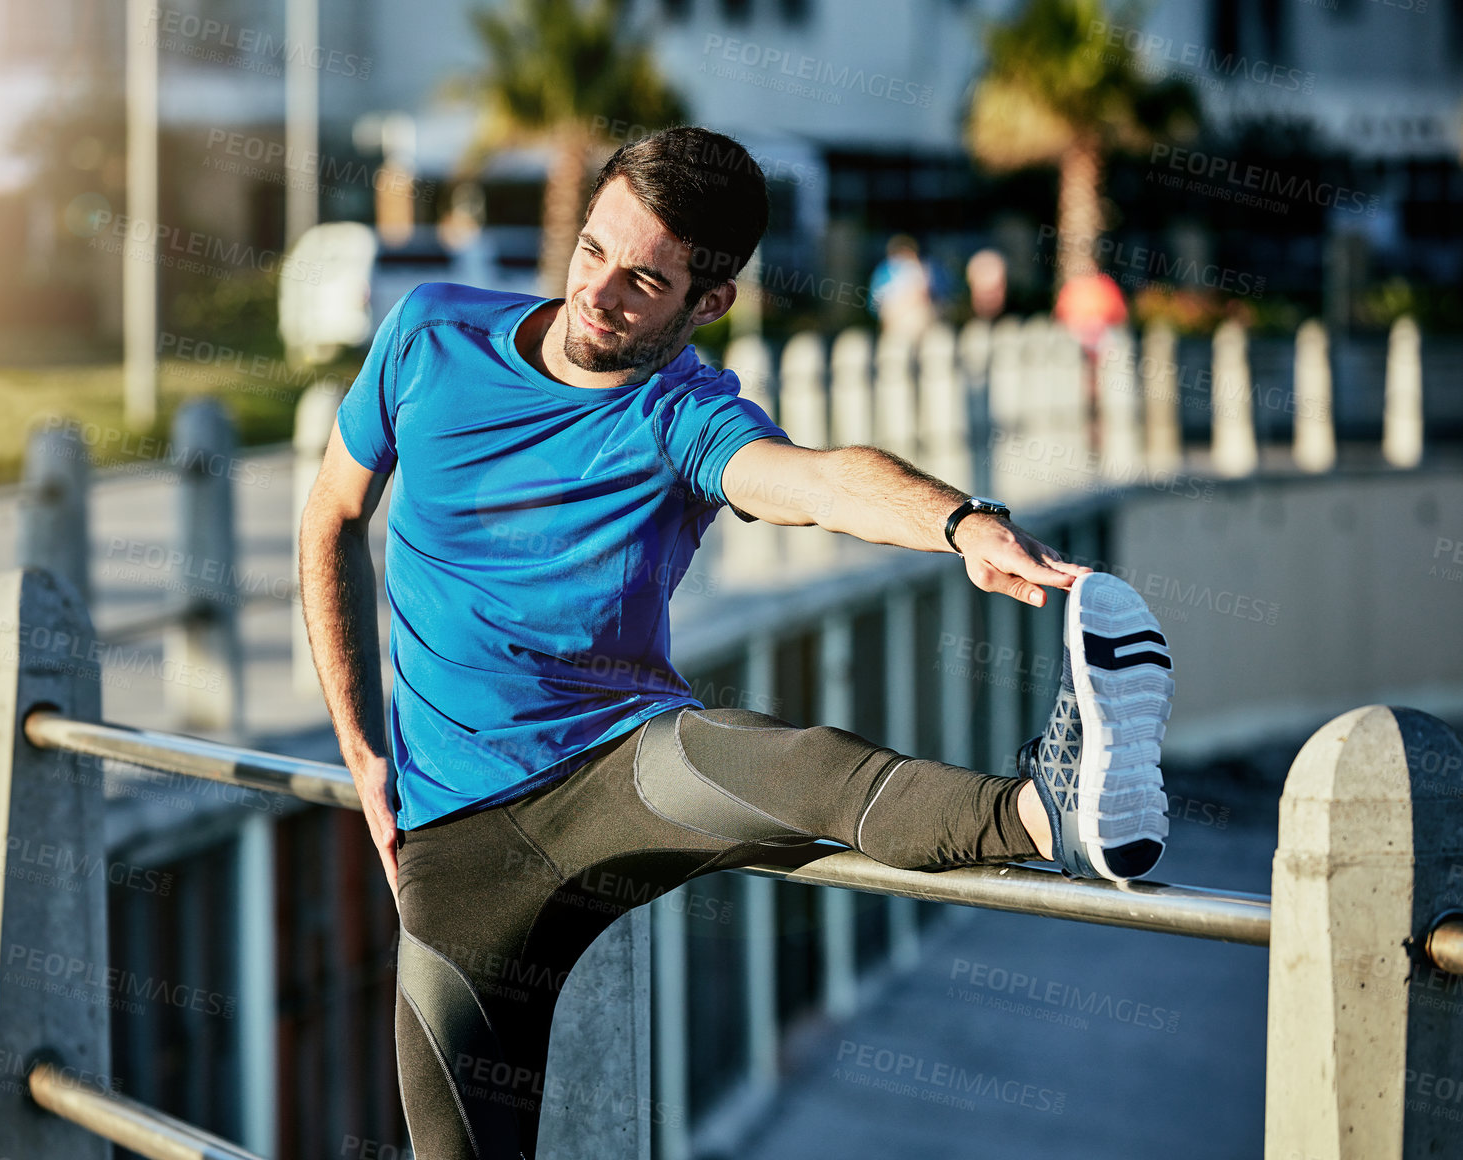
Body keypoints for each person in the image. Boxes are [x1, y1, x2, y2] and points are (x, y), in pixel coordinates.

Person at [298, 127, 1174, 1160]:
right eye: (590, 251)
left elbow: (816, 478)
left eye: (641, 281)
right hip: (450, 844)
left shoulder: (683, 414)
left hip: (615, 769)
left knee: (788, 763)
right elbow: (329, 520)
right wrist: (358, 746)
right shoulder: (428, 334)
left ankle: (1050, 809)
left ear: (707, 303)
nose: (597, 293)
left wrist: (960, 521)